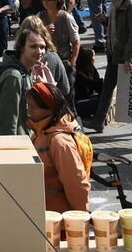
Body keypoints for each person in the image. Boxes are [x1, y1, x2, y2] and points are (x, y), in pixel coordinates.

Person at [84, 0, 132, 134]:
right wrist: (106, 20)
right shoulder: (117, 4)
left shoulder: (131, 4)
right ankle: (99, 121)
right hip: (116, 51)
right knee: (107, 87)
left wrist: (128, 59)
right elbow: (120, 28)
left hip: (130, 54)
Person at [27, 82, 90, 213]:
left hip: (61, 220)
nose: (29, 111)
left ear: (49, 108)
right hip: (44, 215)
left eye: (33, 107)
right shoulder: (38, 134)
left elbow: (76, 183)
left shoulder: (59, 142)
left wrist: (79, 218)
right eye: (28, 106)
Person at [0, 25, 49, 136]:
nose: (39, 51)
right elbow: (7, 123)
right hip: (16, 145)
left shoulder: (27, 71)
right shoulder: (14, 77)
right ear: (22, 48)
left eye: (42, 47)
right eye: (33, 46)